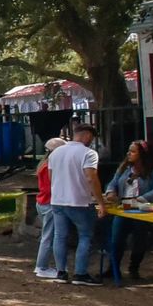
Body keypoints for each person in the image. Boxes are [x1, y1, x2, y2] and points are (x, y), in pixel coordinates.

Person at [48, 122, 108, 284]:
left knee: (60, 236)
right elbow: (91, 177)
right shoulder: (89, 153)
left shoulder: (56, 153)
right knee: (85, 235)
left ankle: (61, 271)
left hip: (58, 200)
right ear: (87, 135)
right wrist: (100, 201)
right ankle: (80, 273)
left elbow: (50, 176)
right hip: (79, 201)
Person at [103, 139, 153, 280]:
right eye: (129, 151)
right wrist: (110, 192)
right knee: (116, 238)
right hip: (124, 209)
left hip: (142, 211)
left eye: (133, 151)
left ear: (142, 154)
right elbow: (113, 183)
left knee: (139, 240)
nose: (129, 154)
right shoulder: (124, 168)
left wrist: (140, 200)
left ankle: (134, 268)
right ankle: (113, 268)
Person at [33, 136, 67, 278]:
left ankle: (42, 265)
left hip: (42, 202)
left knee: (47, 235)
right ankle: (41, 266)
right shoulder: (49, 166)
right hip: (49, 203)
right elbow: (49, 188)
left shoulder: (44, 163)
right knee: (48, 236)